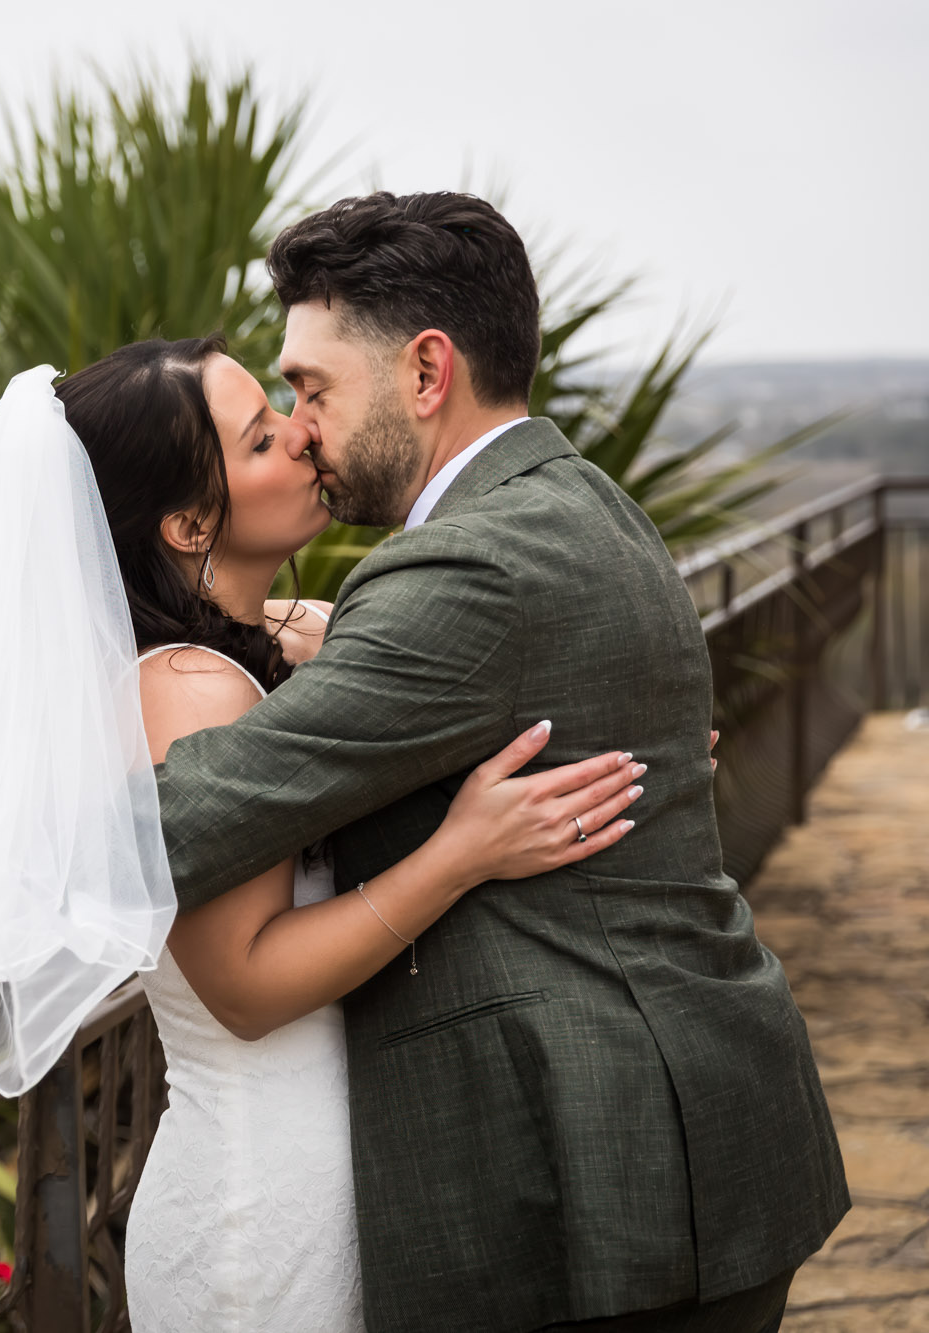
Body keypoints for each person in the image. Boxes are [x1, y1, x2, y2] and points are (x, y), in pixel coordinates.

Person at [150, 191, 849, 1333]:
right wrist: (278, 634)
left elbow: (171, 828)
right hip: (696, 1135)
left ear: (425, 373)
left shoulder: (463, 572)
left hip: (599, 1184)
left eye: (312, 388)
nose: (301, 423)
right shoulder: (579, 503)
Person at [53, 335, 640, 1332]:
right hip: (260, 1209)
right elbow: (242, 988)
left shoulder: (265, 644)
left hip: (335, 1175)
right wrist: (461, 853)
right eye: (260, 438)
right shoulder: (186, 691)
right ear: (191, 519)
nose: (302, 435)